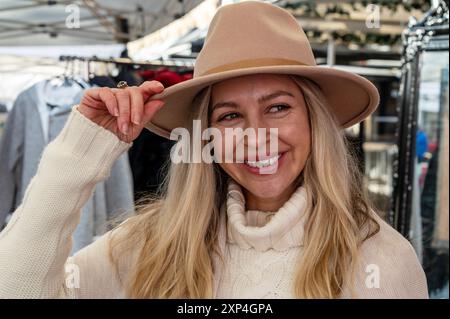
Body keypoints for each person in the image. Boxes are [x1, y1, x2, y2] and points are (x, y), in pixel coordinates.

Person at [0, 1, 428, 298]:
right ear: (206, 134)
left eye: (277, 107)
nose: (254, 134)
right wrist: (76, 156)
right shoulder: (149, 245)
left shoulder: (378, 258)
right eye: (229, 116)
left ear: (314, 120)